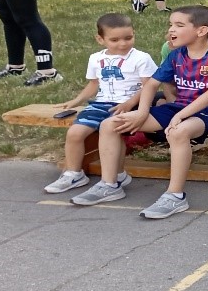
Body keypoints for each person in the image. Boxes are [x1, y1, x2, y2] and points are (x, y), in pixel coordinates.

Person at [71, 6, 208, 219]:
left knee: (177, 132)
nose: (171, 29)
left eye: (179, 25)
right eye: (171, 24)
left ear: (201, 31)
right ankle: (109, 185)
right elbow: (151, 84)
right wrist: (142, 112)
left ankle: (175, 196)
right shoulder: (176, 55)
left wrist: (180, 115)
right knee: (110, 124)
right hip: (180, 107)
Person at [44, 13, 157, 194]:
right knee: (74, 133)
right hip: (100, 104)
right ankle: (74, 173)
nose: (123, 44)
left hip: (129, 105)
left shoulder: (141, 58)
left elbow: (149, 86)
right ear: (100, 39)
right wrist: (76, 101)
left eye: (128, 38)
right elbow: (94, 84)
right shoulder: (96, 58)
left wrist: (129, 103)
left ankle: (117, 174)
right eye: (115, 40)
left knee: (114, 132)